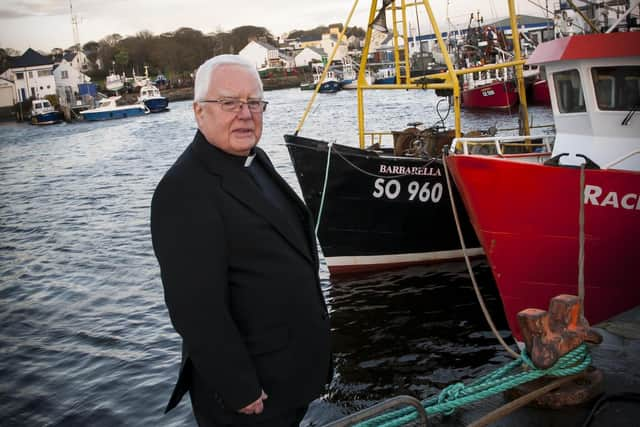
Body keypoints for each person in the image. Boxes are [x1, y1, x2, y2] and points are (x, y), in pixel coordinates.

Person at [150, 54, 332, 426]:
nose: (245, 113)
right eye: (230, 103)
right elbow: (195, 309)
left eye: (253, 102)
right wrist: (239, 387)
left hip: (289, 377)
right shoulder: (184, 190)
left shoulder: (254, 159)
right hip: (251, 399)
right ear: (200, 112)